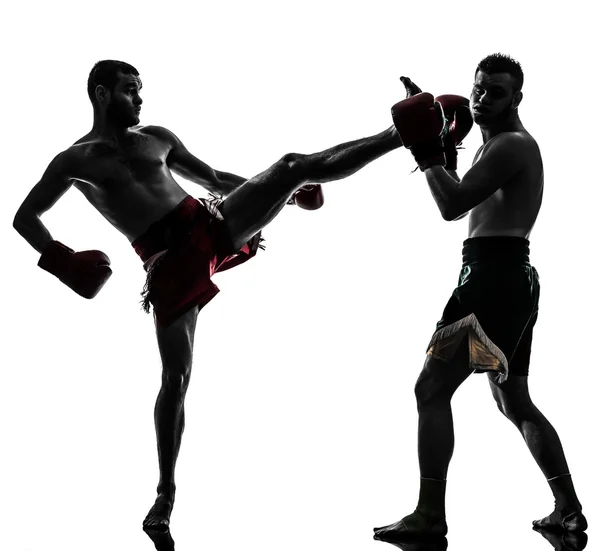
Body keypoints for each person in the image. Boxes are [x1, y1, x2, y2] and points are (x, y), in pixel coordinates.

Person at [13, 60, 402, 532]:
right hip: (165, 263)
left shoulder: (158, 136)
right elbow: (25, 217)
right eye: (130, 90)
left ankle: (404, 131)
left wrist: (285, 195)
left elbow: (215, 178)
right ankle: (165, 495)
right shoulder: (74, 161)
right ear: (101, 94)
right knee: (176, 380)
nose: (139, 99)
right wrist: (63, 260)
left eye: (140, 90)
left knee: (292, 166)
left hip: (208, 225)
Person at [373, 54, 587, 541]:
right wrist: (440, 144)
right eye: (478, 88)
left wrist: (424, 146)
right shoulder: (495, 147)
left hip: (492, 277)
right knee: (514, 400)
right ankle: (568, 508)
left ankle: (429, 515)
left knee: (430, 390)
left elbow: (450, 205)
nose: (481, 98)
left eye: (495, 91)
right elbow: (458, 188)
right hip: (511, 277)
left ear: (517, 98)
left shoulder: (511, 145)